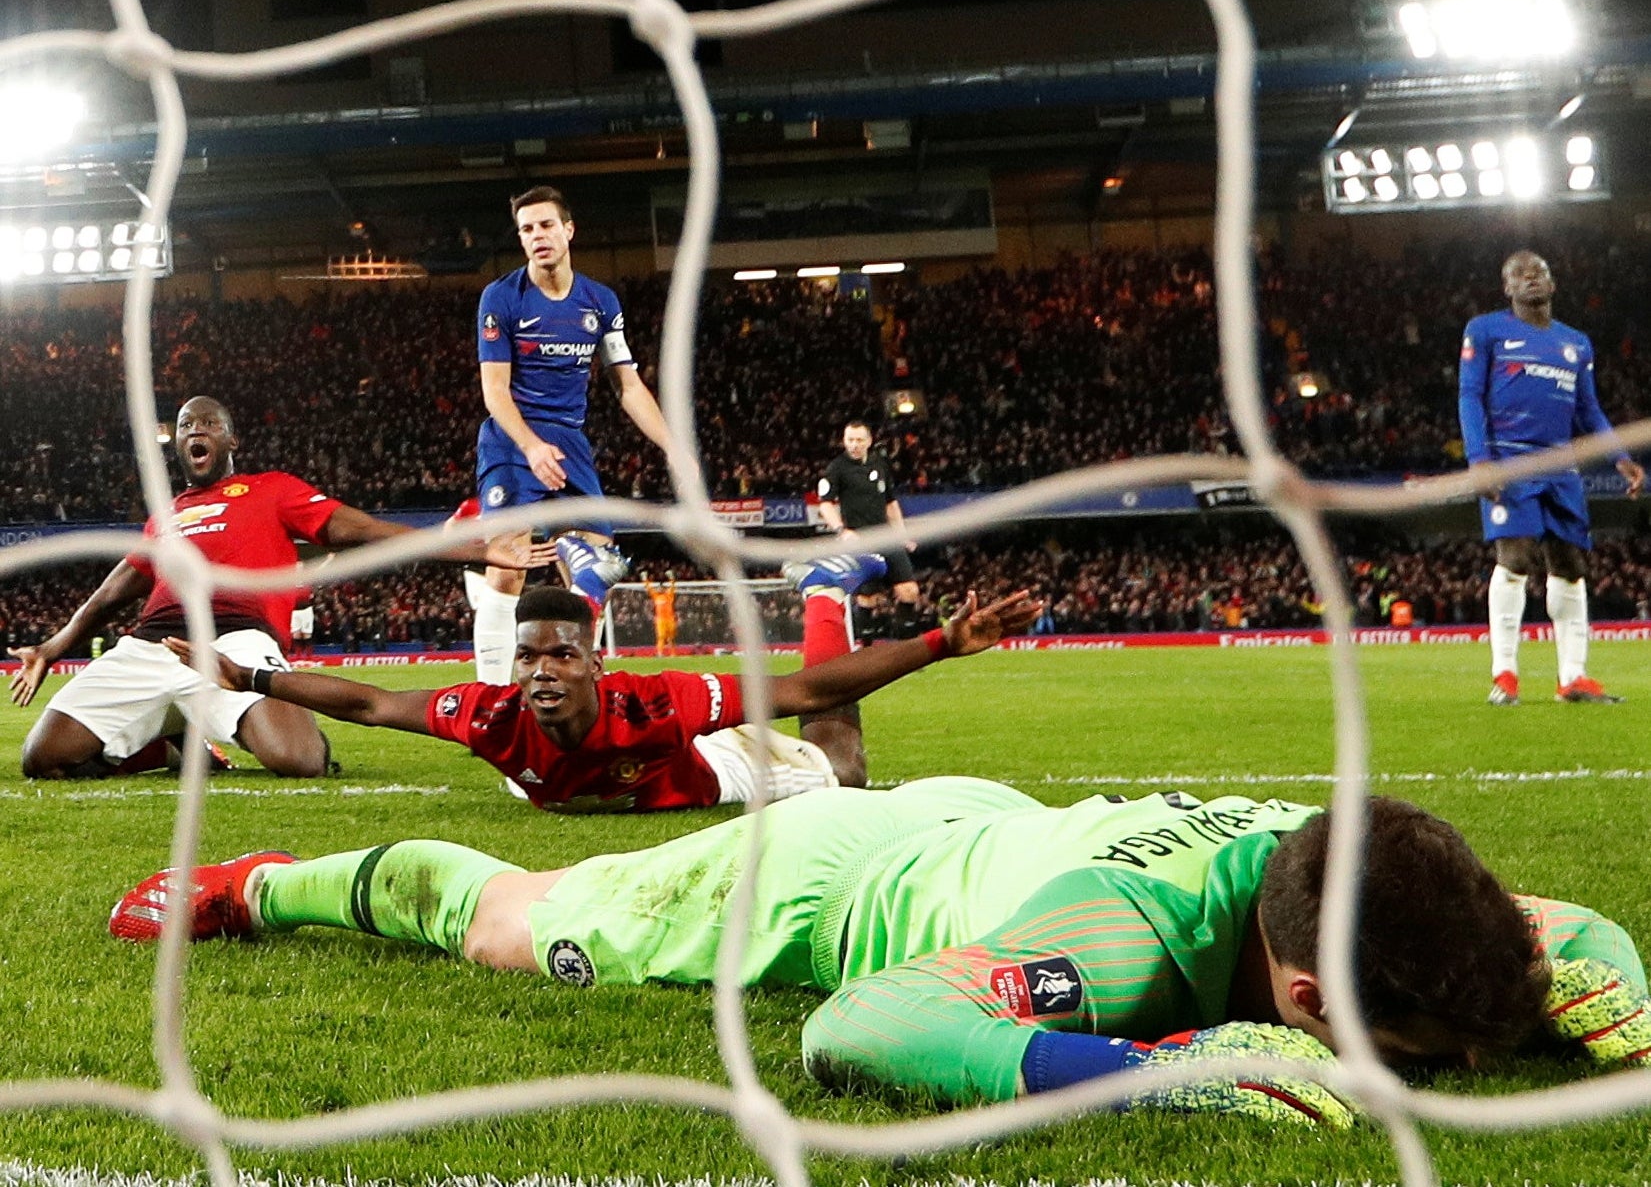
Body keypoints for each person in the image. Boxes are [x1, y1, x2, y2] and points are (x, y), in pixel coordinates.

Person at [110, 781, 1649, 1122]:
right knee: (519, 913)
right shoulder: (1113, 944)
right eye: (1425, 1059)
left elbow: (1544, 927)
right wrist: (1143, 1071)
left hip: (988, 826)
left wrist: (1602, 969)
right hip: (809, 883)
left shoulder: (1362, 874)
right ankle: (258, 882)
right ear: (1303, 1001)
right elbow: (860, 1023)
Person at [7, 396, 553, 781]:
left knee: (299, 762)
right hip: (152, 645)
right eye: (185, 425)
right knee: (43, 758)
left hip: (235, 641)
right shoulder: (165, 518)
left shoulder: (271, 490)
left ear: (230, 439)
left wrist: (479, 549)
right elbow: (108, 596)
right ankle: (167, 746)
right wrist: (51, 648)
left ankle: (216, 721)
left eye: (208, 423)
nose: (195, 430)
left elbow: (364, 531)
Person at [164, 580, 1040, 810]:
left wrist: (937, 645)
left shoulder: (660, 701)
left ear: (593, 664)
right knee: (518, 761)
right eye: (527, 658)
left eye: (561, 657)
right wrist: (251, 679)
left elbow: (802, 685)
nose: (541, 670)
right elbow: (366, 704)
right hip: (545, 771)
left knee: (839, 762)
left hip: (688, 777)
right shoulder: (491, 711)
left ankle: (823, 597)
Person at [470, 185, 674, 686]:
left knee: (594, 567)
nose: (536, 236)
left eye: (545, 225)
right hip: (512, 440)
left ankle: (582, 690)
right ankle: (494, 702)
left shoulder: (600, 302)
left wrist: (674, 447)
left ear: (568, 230)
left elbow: (627, 383)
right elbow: (495, 390)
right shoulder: (501, 297)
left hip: (571, 443)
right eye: (526, 230)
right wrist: (530, 446)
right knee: (509, 566)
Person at [1458, 250, 1646, 706]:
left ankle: (1574, 678)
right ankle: (1504, 674)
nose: (1530, 279)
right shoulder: (1485, 330)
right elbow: (1469, 394)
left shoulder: (1576, 343)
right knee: (1517, 556)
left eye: (1538, 272)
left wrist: (1619, 456)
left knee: (1571, 566)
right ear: (1507, 288)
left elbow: (1589, 410)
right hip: (1511, 461)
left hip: (1562, 468)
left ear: (1553, 283)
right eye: (1519, 275)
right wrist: (1479, 458)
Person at [817, 421, 922, 637]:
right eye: (850, 440)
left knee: (910, 591)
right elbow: (825, 503)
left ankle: (905, 647)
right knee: (869, 599)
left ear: (869, 441)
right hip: (861, 541)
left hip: (886, 537)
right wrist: (841, 531)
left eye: (859, 440)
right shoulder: (837, 468)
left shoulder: (879, 464)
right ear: (844, 441)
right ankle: (865, 648)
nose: (854, 445)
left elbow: (890, 503)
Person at [643, 570, 678, 657]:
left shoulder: (669, 595)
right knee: (661, 637)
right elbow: (649, 588)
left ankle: (673, 653)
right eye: (658, 588)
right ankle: (660, 653)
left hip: (670, 618)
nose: (659, 589)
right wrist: (645, 579)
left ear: (663, 589)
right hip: (660, 620)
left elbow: (673, 587)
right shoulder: (655, 596)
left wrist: (671, 578)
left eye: (661, 588)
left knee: (671, 638)